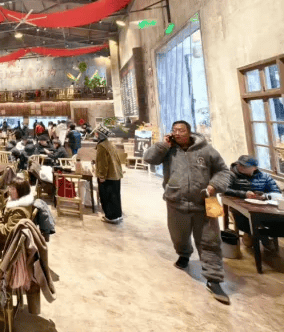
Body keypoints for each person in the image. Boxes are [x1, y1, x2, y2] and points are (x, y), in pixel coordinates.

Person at [144, 120, 231, 304]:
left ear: (189, 132)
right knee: (179, 236)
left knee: (210, 241)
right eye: (174, 130)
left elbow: (223, 171)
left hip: (206, 202)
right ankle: (184, 254)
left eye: (181, 130)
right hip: (176, 201)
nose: (177, 133)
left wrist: (214, 185)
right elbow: (149, 159)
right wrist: (163, 145)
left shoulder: (206, 150)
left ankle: (214, 279)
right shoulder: (169, 150)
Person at [225, 155, 282, 251]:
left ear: (254, 168)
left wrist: (265, 196)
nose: (240, 167)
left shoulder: (264, 177)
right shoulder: (231, 175)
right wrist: (244, 194)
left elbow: (276, 192)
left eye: (245, 166)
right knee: (247, 219)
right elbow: (224, 189)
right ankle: (262, 238)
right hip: (240, 208)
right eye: (240, 164)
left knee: (275, 219)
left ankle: (260, 236)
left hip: (263, 207)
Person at [94, 126, 123, 223]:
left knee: (107, 196)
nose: (95, 135)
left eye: (96, 133)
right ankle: (117, 215)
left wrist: (102, 176)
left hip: (108, 176)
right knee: (115, 196)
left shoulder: (101, 146)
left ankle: (110, 217)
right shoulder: (110, 144)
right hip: (116, 174)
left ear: (99, 135)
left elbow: (103, 163)